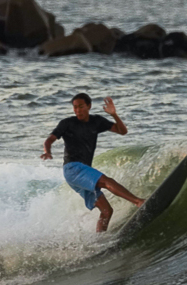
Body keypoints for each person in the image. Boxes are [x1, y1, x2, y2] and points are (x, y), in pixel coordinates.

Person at [41, 93, 144, 232]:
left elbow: (122, 131)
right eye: (75, 107)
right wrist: (47, 151)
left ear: (89, 106)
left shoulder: (97, 121)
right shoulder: (67, 123)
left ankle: (99, 241)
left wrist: (114, 115)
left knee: (107, 211)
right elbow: (49, 140)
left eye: (81, 107)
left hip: (80, 174)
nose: (78, 110)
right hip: (73, 168)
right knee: (108, 181)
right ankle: (138, 202)